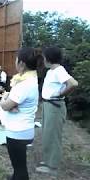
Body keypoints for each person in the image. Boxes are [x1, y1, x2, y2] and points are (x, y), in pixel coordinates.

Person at [0, 47, 41, 180]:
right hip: (23, 129)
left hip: (18, 131)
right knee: (18, 166)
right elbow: (14, 103)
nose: (15, 62)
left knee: (20, 168)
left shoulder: (24, 84)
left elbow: (6, 106)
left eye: (16, 59)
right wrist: (10, 101)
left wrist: (4, 99)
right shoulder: (30, 80)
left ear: (21, 63)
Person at [36, 47, 78, 175]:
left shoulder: (59, 70)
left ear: (49, 58)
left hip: (55, 106)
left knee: (53, 135)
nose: (43, 60)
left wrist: (60, 94)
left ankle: (52, 166)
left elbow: (73, 84)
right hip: (48, 105)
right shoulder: (51, 71)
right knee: (47, 133)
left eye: (43, 57)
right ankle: (48, 160)